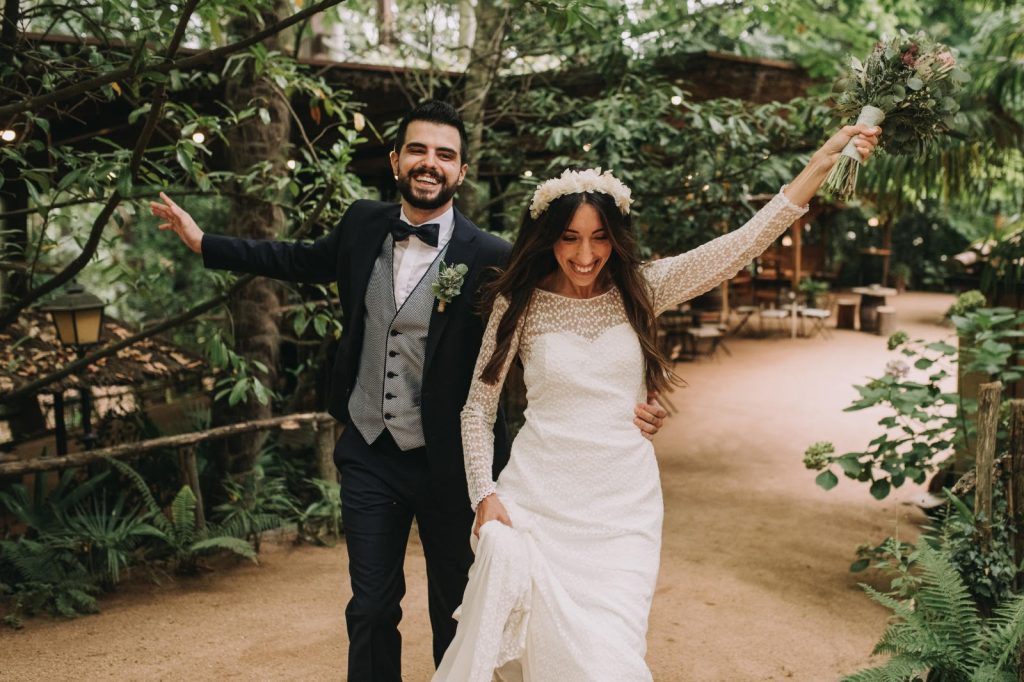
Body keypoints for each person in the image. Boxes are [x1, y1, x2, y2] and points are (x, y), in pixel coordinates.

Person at [150, 100, 666, 681]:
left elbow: (576, 318)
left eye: (445, 155)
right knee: (370, 606)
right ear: (396, 159)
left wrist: (630, 398)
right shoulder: (362, 224)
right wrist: (204, 243)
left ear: (461, 171)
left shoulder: (496, 258)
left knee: (457, 611)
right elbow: (293, 258)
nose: (430, 163)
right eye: (418, 150)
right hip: (371, 451)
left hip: (452, 464)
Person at [433, 123, 881, 680]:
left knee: (608, 658)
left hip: (623, 507)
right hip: (539, 500)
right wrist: (485, 495)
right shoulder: (519, 303)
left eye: (599, 237)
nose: (585, 253)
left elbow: (741, 243)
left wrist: (823, 159)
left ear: (616, 237)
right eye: (569, 236)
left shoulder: (642, 287)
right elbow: (477, 407)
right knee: (536, 653)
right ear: (548, 235)